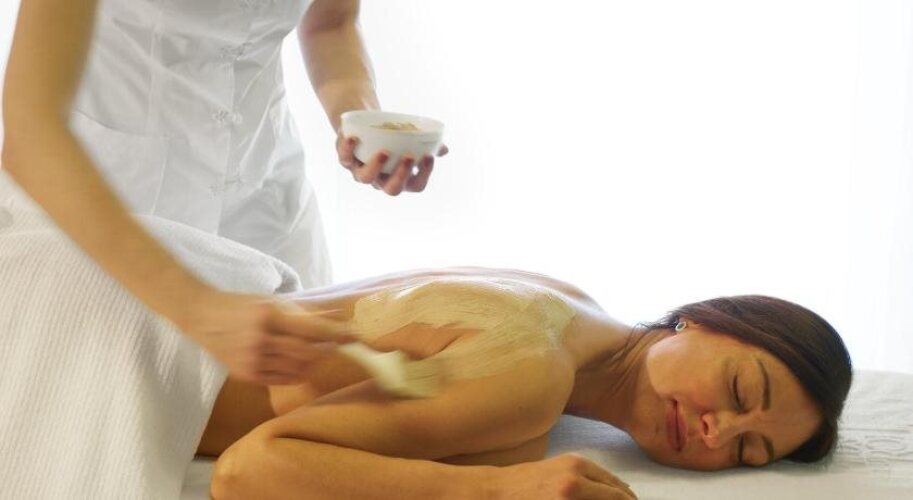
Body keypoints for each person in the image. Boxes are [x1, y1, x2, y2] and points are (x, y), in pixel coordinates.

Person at [1, 0, 445, 386]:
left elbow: (331, 22)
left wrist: (362, 124)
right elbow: (28, 134)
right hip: (110, 220)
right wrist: (199, 310)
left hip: (268, 205)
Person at [197, 267, 853, 500]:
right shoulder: (532, 372)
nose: (717, 431)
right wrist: (497, 488)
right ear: (703, 321)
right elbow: (246, 473)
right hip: (161, 366)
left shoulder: (569, 303)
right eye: (739, 392)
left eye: (745, 450)